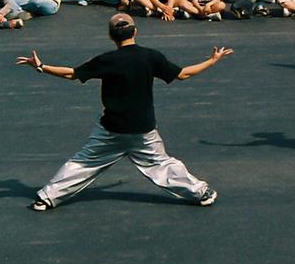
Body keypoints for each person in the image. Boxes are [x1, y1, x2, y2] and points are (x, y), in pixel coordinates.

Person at [17, 13, 229, 211]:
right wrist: (212, 61)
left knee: (82, 163)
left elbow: (72, 74)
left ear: (111, 36)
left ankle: (45, 198)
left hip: (110, 129)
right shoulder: (150, 57)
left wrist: (41, 66)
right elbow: (183, 74)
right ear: (135, 32)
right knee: (162, 164)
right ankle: (201, 193)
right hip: (143, 130)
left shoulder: (106, 60)